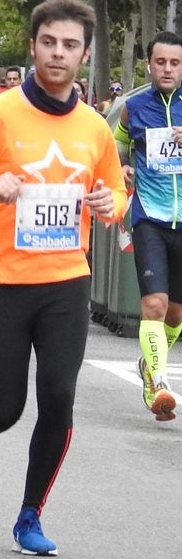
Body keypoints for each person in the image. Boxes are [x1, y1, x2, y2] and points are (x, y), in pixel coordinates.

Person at [0, 0, 126, 557]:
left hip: (65, 279)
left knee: (59, 396)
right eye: (48, 42)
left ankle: (30, 513)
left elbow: (116, 194)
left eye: (69, 45)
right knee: (6, 406)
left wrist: (108, 203)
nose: (57, 54)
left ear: (85, 54)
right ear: (32, 46)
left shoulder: (95, 126)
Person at [113, 30, 182, 421]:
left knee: (174, 316)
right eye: (160, 62)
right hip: (149, 217)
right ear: (149, 65)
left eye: (174, 62)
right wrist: (120, 164)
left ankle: (148, 364)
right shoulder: (133, 108)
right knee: (153, 305)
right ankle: (157, 381)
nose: (167, 69)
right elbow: (116, 145)